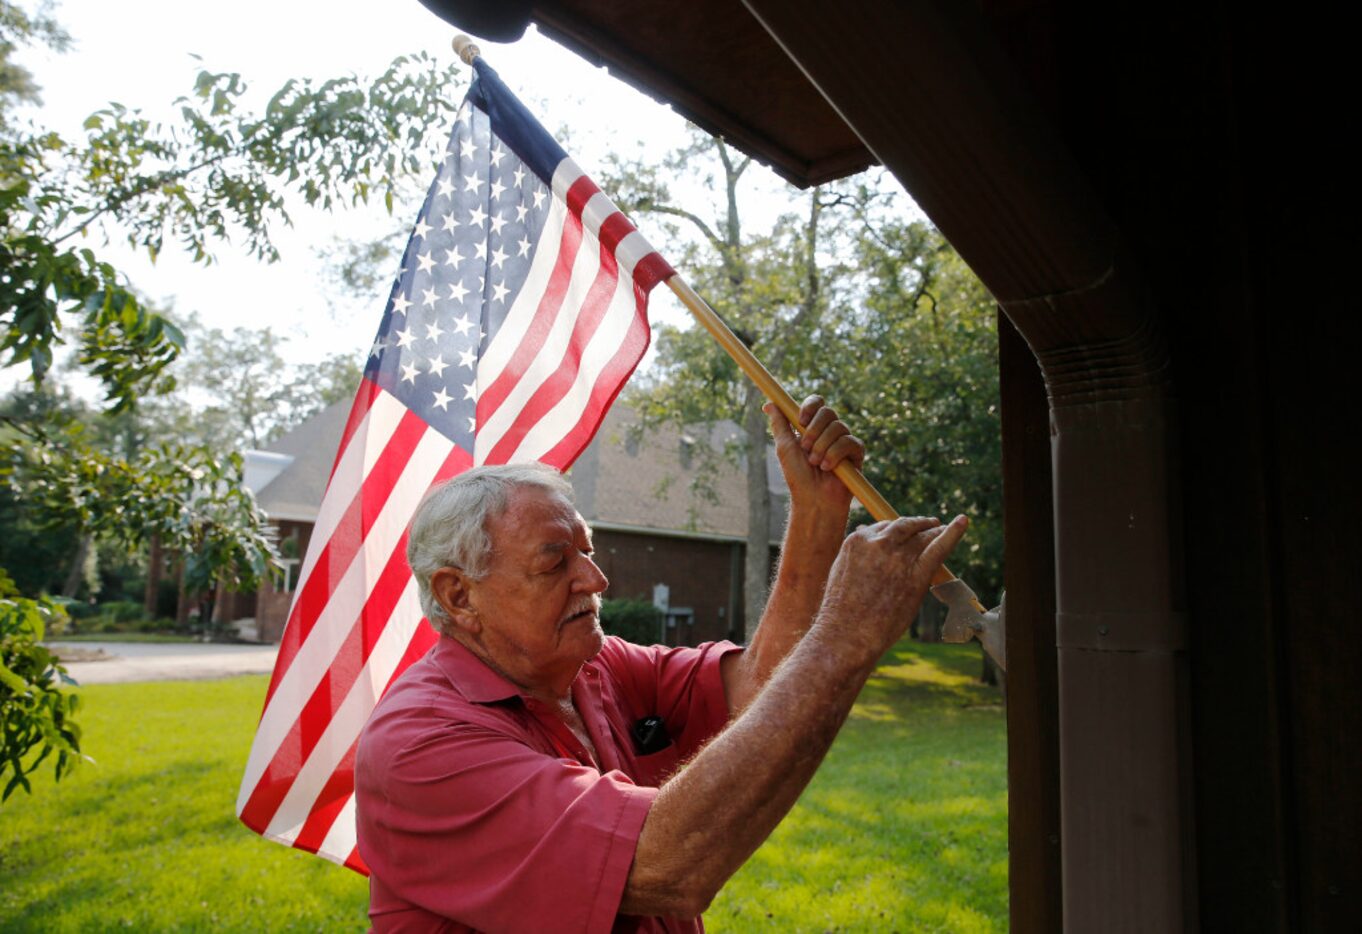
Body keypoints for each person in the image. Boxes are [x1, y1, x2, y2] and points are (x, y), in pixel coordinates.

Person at [354, 397, 968, 933]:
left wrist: (814, 515)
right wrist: (845, 637)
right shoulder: (420, 745)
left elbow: (758, 686)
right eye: (553, 563)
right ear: (460, 596)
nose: (594, 579)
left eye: (587, 552)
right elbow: (666, 864)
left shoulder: (595, 667)